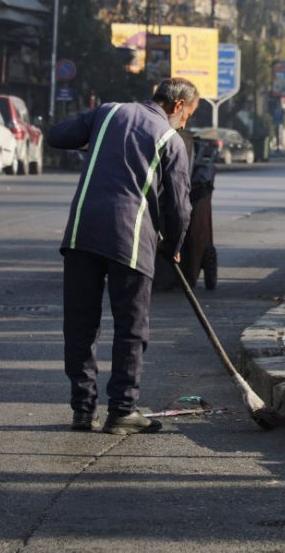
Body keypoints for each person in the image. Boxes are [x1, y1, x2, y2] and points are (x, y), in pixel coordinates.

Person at [48, 78, 197, 435]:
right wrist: (173, 248)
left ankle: (83, 410)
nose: (185, 124)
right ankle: (122, 410)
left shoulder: (107, 112)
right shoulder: (170, 139)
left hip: (81, 232)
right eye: (188, 115)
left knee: (80, 325)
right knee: (130, 328)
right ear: (177, 106)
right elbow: (179, 207)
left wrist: (98, 142)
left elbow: (57, 136)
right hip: (129, 239)